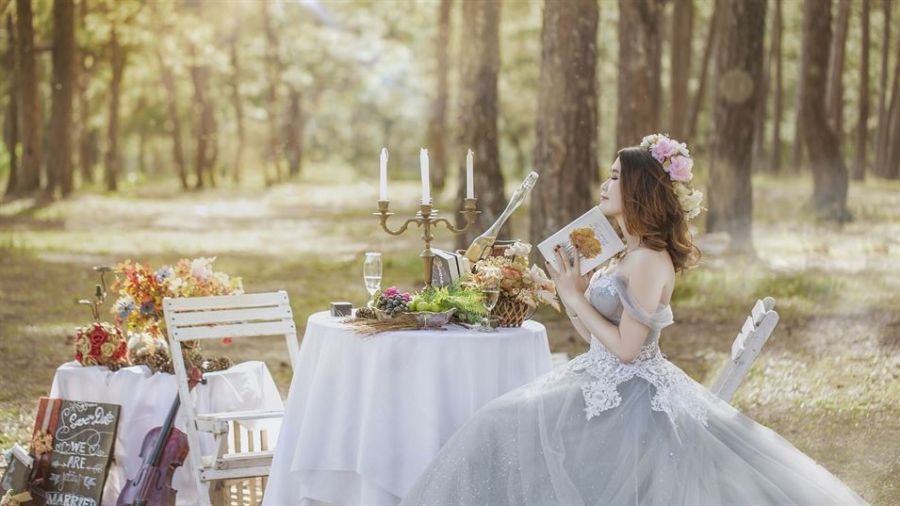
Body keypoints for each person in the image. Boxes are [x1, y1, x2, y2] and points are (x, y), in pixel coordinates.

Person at [399, 134, 868, 506]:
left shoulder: (647, 260)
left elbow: (627, 351)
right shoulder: (628, 251)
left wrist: (571, 296)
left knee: (498, 422)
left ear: (639, 188)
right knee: (497, 421)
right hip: (600, 377)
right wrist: (577, 294)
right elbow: (595, 339)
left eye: (615, 176)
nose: (605, 184)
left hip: (629, 396)